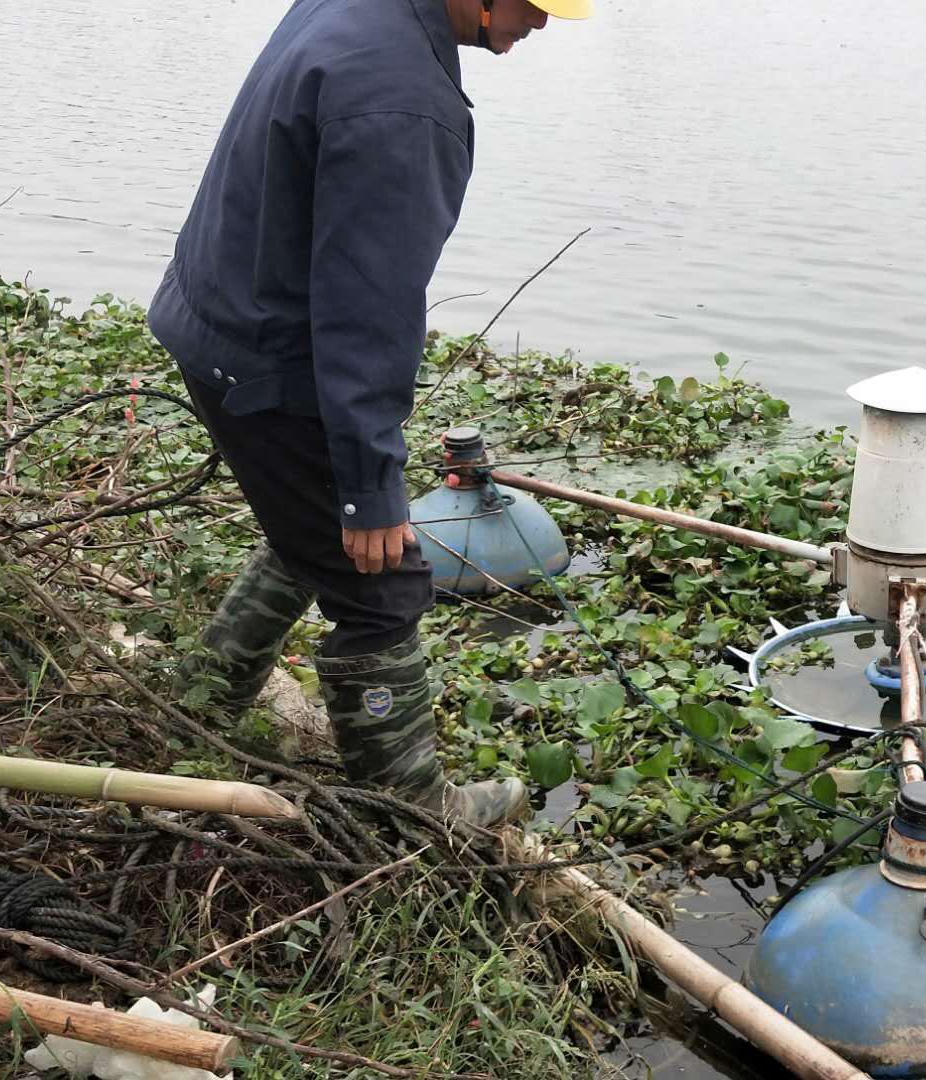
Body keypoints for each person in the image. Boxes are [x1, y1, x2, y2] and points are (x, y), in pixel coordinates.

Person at [147, 0, 589, 827]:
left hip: (212, 316)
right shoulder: (401, 102)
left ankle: (204, 696)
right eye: (534, 6)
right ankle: (409, 806)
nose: (541, 24)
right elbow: (368, 308)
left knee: (309, 530)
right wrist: (369, 485)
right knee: (380, 582)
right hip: (267, 357)